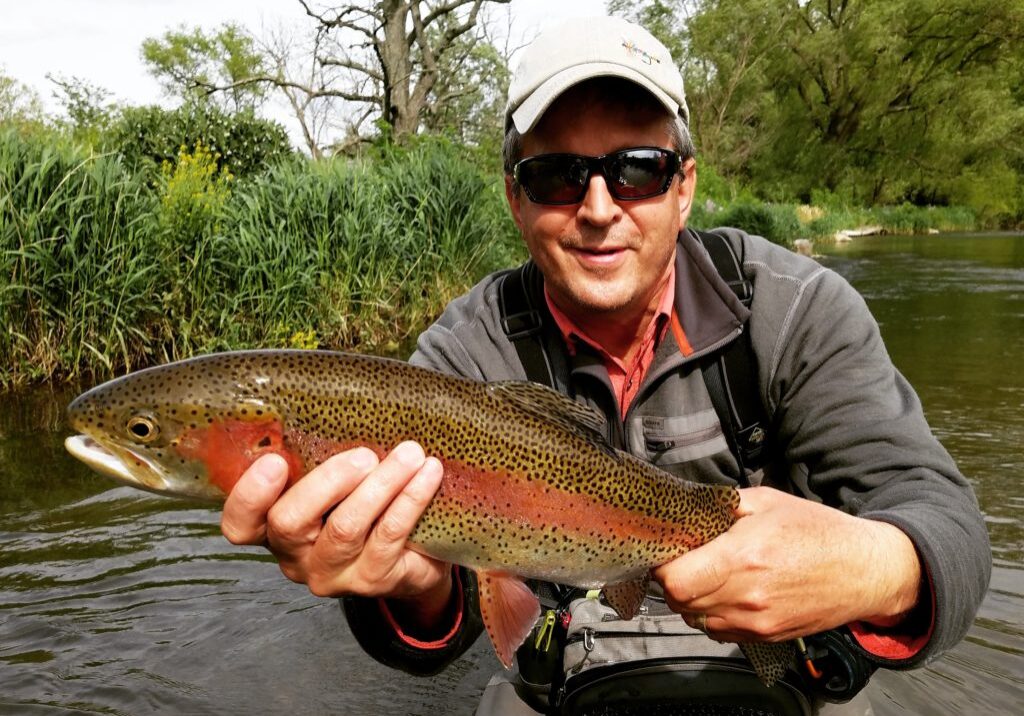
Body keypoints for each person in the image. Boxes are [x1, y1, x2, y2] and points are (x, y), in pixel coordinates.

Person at [219, 15, 990, 715]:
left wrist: (874, 567)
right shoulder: (462, 357)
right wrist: (414, 585)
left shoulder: (796, 312)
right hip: (562, 688)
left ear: (684, 189)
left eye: (638, 169)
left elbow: (947, 525)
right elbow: (440, 625)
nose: (596, 206)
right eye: (557, 175)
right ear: (517, 200)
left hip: (788, 674)